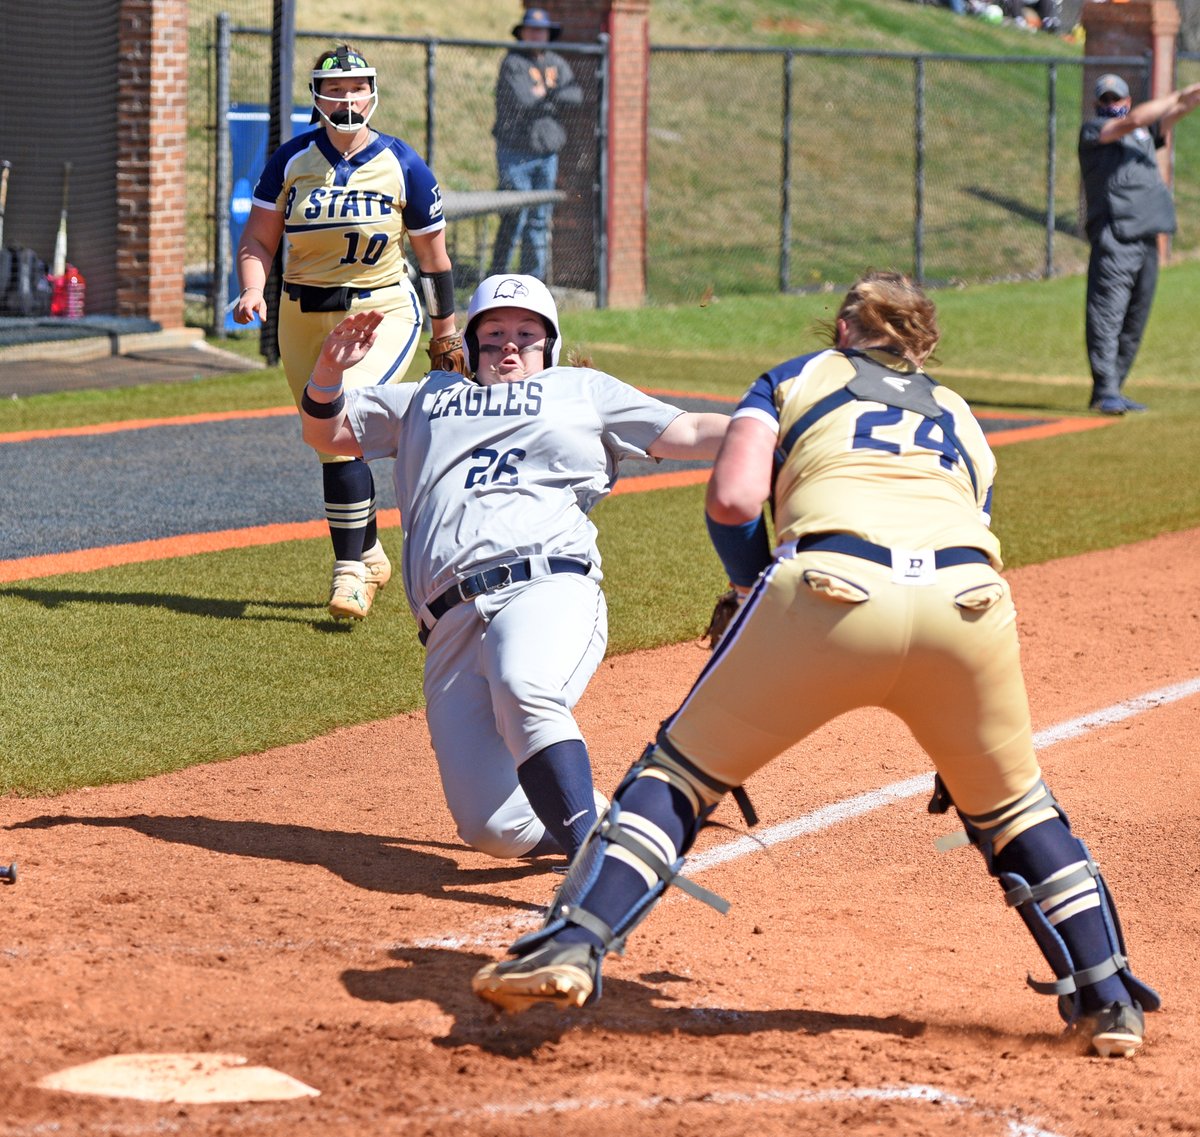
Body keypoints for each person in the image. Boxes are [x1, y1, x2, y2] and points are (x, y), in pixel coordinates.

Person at [472, 270, 1161, 1060]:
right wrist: (956, 727)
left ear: (842, 331)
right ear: (921, 344)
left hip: (831, 587)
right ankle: (1110, 999)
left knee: (680, 777)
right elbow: (968, 529)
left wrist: (746, 583)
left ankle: (572, 944)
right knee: (1014, 809)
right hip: (969, 604)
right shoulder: (961, 414)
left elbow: (734, 500)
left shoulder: (796, 377)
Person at [297, 274, 729, 864]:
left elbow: (693, 431)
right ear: (471, 344)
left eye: (527, 334)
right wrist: (328, 370)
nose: (509, 345)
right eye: (494, 332)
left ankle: (597, 868)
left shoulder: (581, 390)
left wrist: (794, 431)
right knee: (493, 829)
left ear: (548, 345)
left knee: (523, 683)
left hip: (546, 586)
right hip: (449, 626)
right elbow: (327, 430)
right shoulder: (426, 399)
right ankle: (621, 821)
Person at [233, 44, 463, 621]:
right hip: (300, 314)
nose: (347, 98)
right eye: (335, 89)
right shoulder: (290, 160)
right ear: (316, 96)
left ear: (373, 92)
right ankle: (368, 548)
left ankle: (350, 573)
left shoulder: (402, 163)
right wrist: (252, 288)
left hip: (379, 310)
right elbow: (258, 240)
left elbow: (433, 259)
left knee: (344, 418)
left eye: (357, 87)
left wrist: (447, 332)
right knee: (323, 436)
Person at [1079, 73, 1200, 415]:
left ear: (1127, 99)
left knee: (1135, 319)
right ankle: (1105, 389)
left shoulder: (1144, 134)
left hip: (1148, 237)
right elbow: (1135, 119)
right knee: (1107, 315)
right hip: (1116, 236)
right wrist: (1176, 93)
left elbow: (1177, 111)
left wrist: (1190, 95)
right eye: (1106, 100)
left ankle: (1113, 387)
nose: (1111, 105)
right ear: (1097, 105)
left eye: (1116, 99)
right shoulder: (1094, 131)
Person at [489, 7, 582, 281]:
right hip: (515, 155)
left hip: (546, 155)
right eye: (531, 30)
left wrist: (547, 94)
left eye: (541, 31)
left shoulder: (555, 61)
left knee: (539, 222)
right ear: (523, 33)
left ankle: (533, 283)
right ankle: (496, 280)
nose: (536, 35)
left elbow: (576, 94)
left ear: (548, 34)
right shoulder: (513, 63)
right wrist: (555, 96)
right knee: (514, 220)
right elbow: (525, 100)